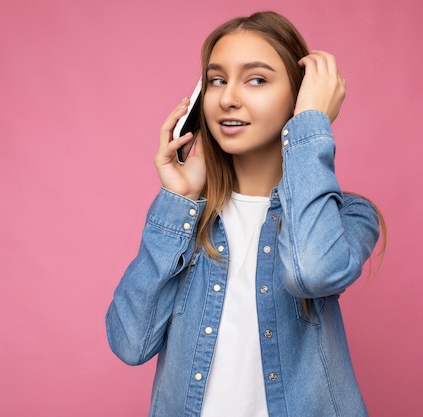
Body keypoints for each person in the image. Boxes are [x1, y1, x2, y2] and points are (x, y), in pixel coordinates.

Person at [106, 10, 386, 417]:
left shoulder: (349, 217)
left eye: (256, 79)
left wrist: (311, 124)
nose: (228, 98)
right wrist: (178, 199)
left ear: (301, 95)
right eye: (217, 79)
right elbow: (130, 342)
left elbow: (313, 272)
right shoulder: (189, 221)